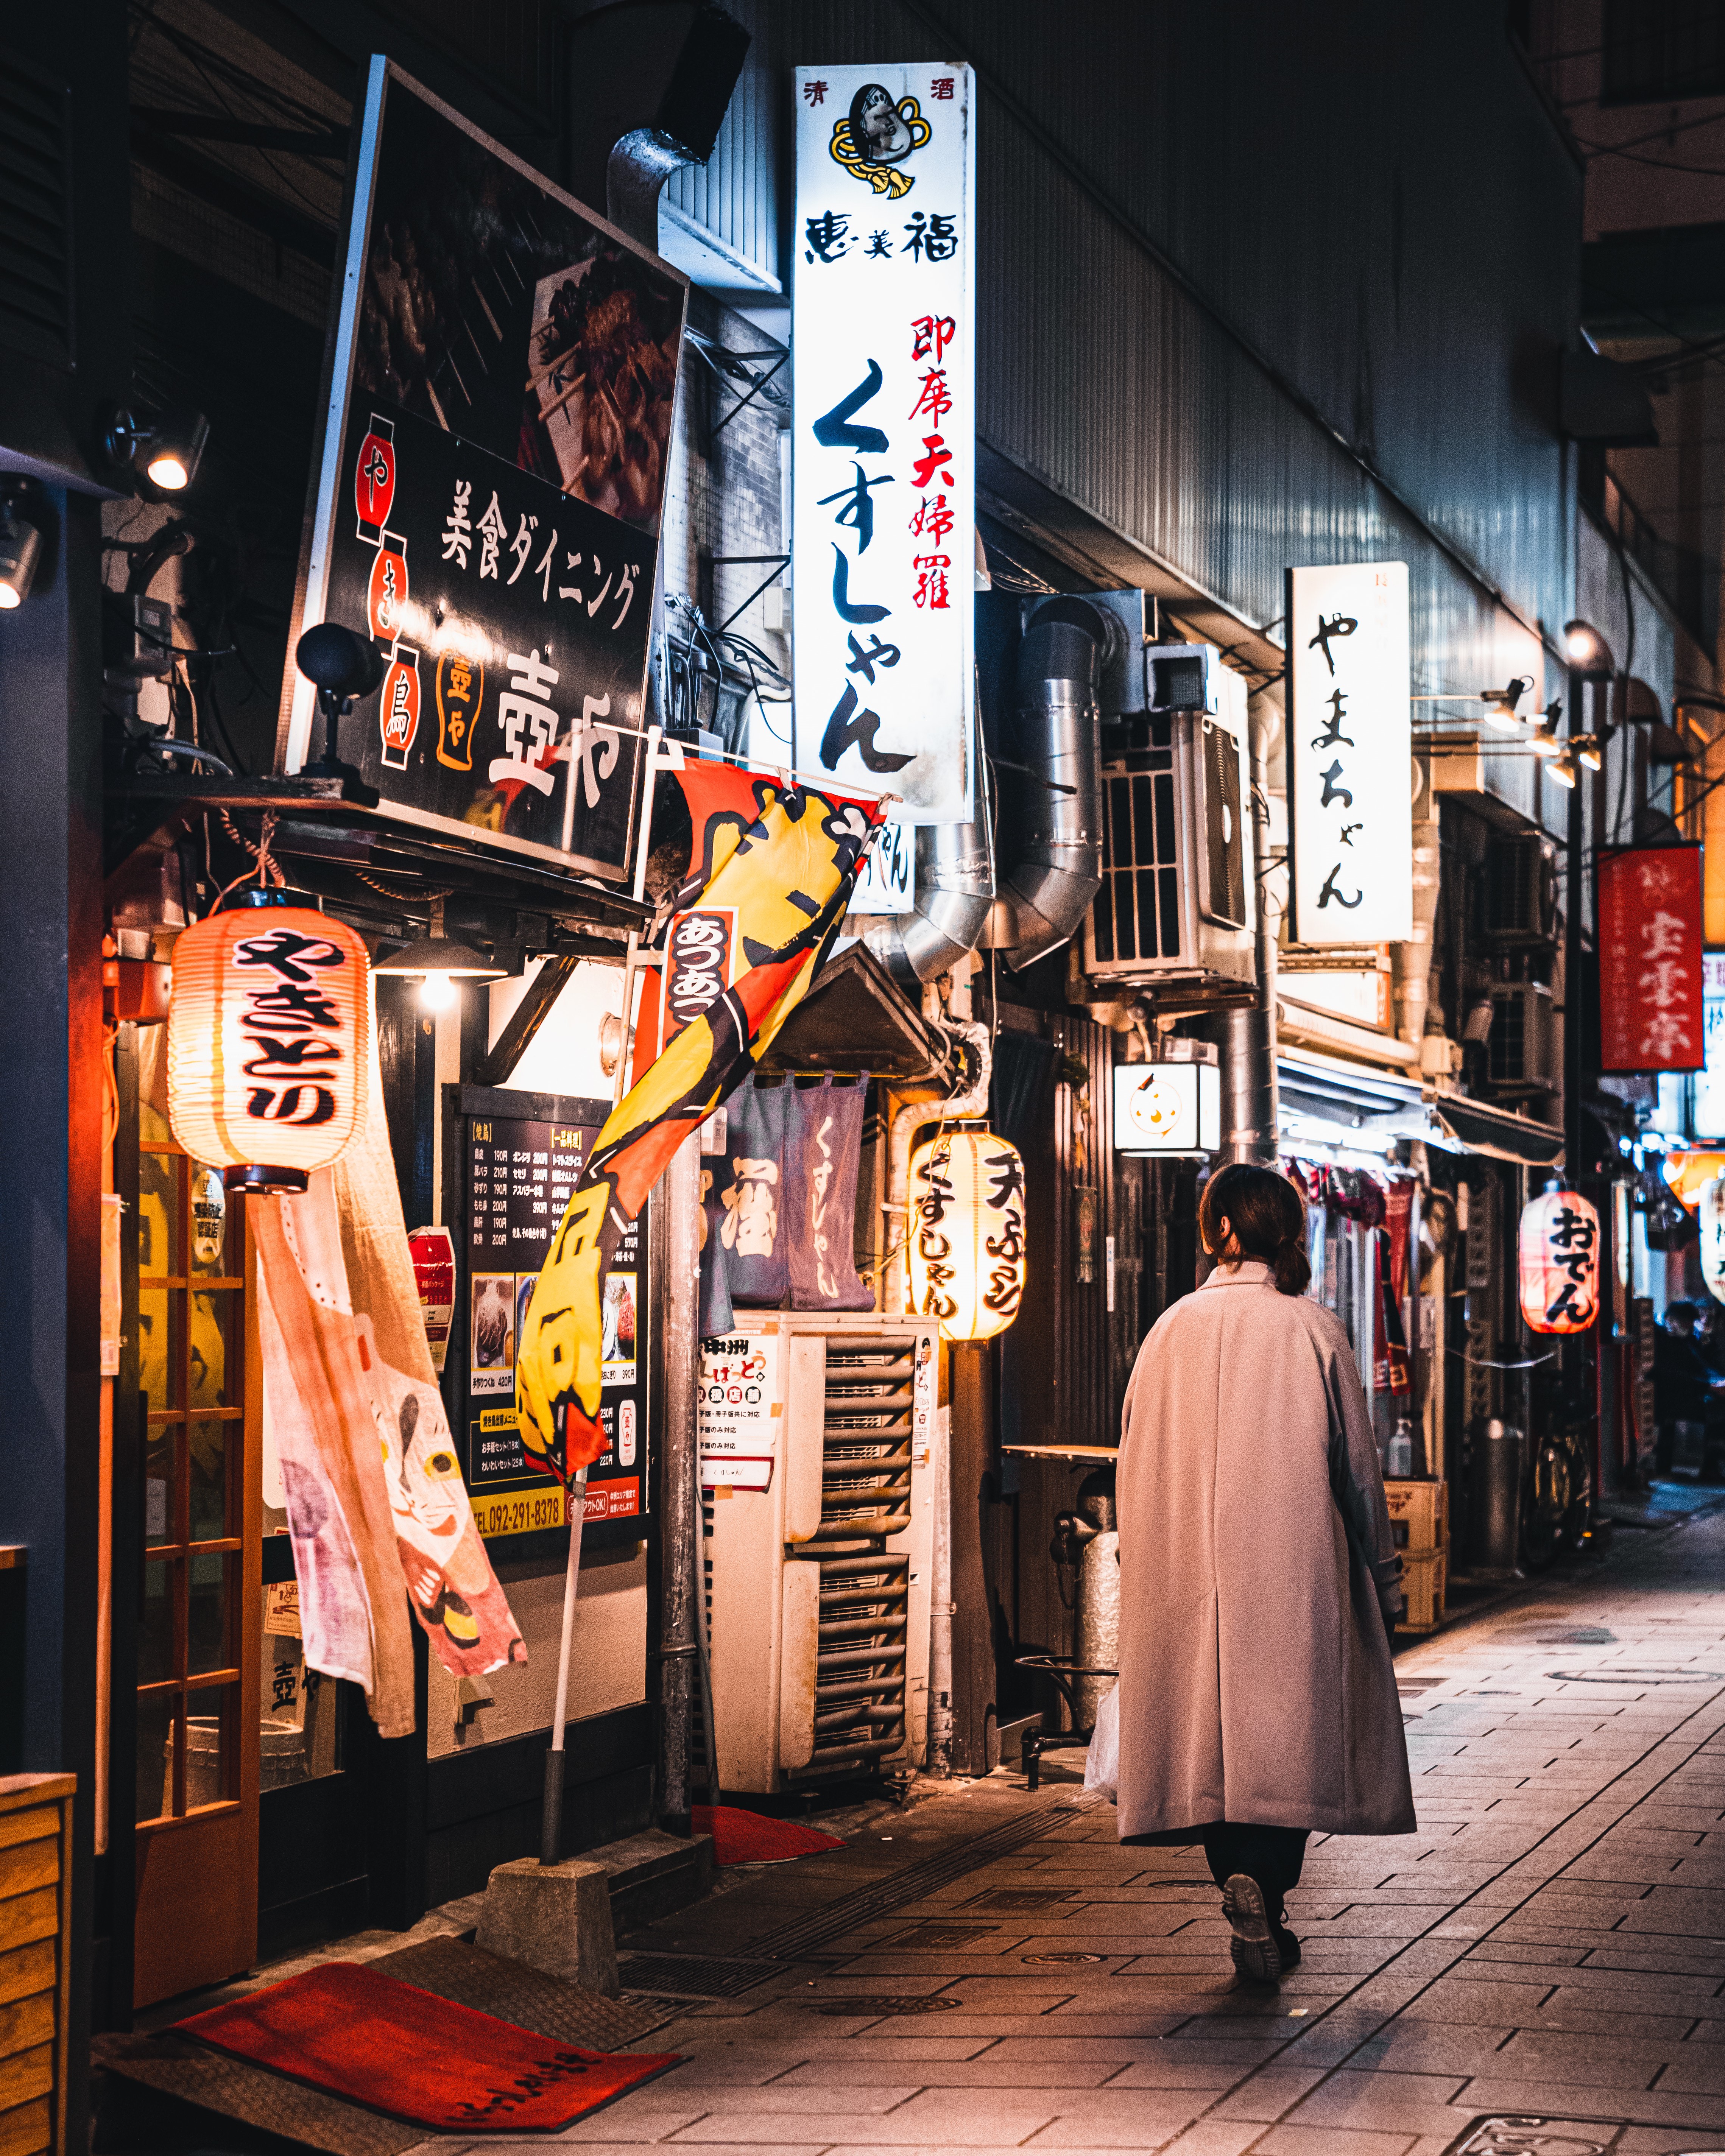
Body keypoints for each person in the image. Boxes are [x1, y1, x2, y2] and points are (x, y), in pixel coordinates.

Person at [1115, 1162, 1414, 1986]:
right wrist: (1384, 1579)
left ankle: (1238, 1886)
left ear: (1216, 1231)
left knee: (1212, 1743)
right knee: (1286, 1742)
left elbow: (1131, 1463)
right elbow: (1358, 1470)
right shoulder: (1312, 1328)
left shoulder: (1168, 1329)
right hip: (1293, 1568)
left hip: (1185, 1573)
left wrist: (1137, 1563)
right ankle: (1266, 1891)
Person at [1653, 1300, 1723, 1477]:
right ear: (1671, 1319)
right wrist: (1707, 1385)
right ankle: (1693, 1465)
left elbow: (1701, 1364)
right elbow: (1669, 1372)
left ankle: (1705, 1463)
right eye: (1686, 1322)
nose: (1690, 1327)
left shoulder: (1688, 1339)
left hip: (1692, 1390)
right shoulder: (1662, 1338)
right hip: (1673, 1395)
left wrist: (1716, 1380)